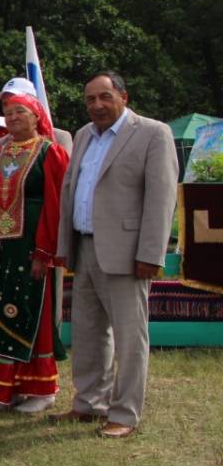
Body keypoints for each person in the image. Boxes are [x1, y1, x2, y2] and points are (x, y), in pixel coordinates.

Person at [52, 72, 177, 438]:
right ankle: (90, 404)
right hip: (85, 245)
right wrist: (65, 246)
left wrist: (151, 252)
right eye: (90, 99)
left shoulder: (153, 133)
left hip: (127, 253)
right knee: (89, 334)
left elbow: (161, 197)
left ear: (124, 95)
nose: (97, 106)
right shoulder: (83, 135)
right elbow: (71, 191)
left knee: (129, 336)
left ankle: (124, 413)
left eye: (105, 97)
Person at [0, 94, 70, 412]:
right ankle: (1, 387)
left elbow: (55, 205)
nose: (11, 117)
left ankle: (40, 390)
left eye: (19, 112)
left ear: (37, 116)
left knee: (28, 310)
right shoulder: (0, 151)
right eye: (7, 113)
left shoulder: (50, 152)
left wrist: (43, 251)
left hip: (28, 247)